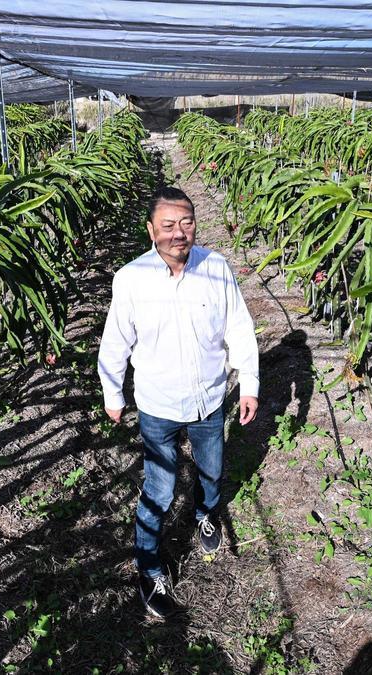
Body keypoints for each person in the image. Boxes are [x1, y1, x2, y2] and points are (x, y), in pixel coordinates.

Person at [97, 186, 259, 618]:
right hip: (157, 405)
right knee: (160, 487)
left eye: (186, 223)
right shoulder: (131, 278)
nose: (178, 233)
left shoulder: (217, 267)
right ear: (151, 230)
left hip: (209, 400)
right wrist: (113, 393)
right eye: (167, 225)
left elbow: (239, 328)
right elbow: (115, 342)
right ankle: (149, 566)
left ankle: (206, 513)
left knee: (211, 469)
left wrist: (249, 383)